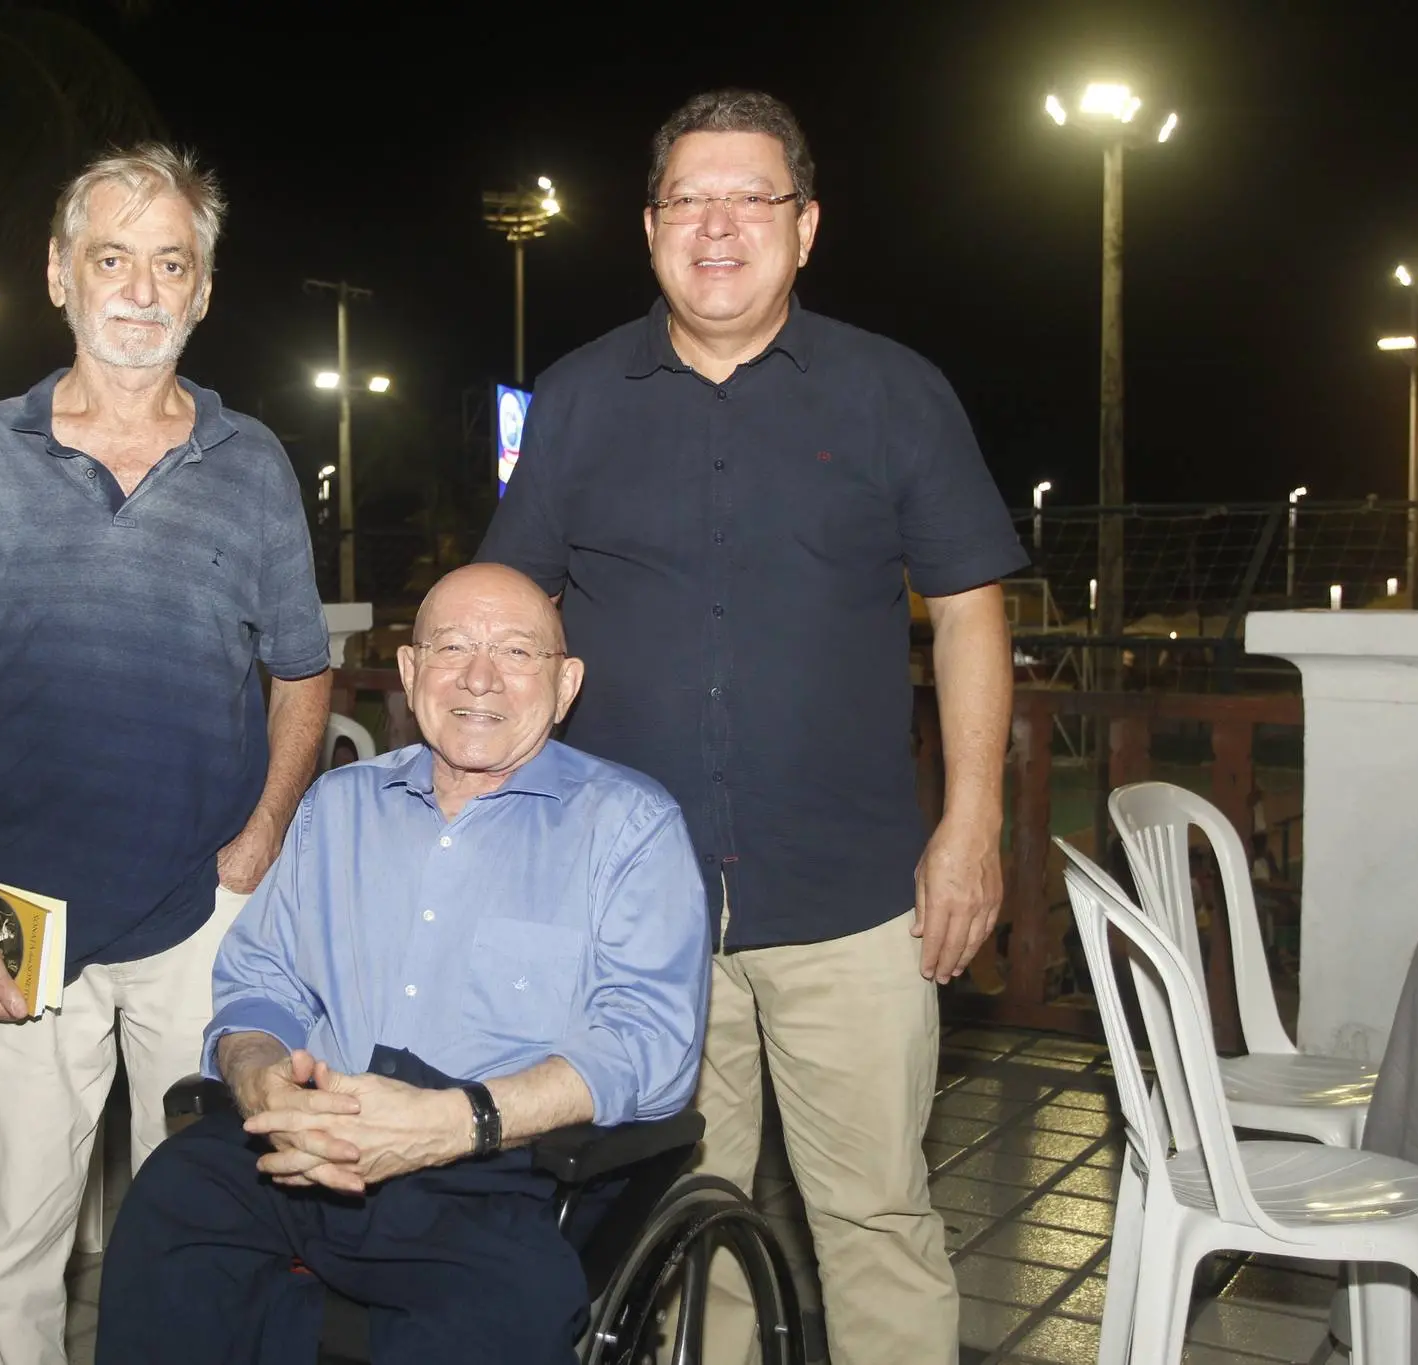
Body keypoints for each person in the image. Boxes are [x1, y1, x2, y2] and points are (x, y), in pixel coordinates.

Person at [479, 90, 1027, 1365]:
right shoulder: (576, 397)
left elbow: (967, 614)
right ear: (648, 226)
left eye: (750, 199)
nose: (717, 227)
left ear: (805, 225)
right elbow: (512, 613)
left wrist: (969, 827)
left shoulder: (894, 393)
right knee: (675, 1224)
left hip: (852, 899)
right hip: (636, 914)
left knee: (875, 1218)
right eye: (688, 200)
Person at [0, 143, 333, 1365]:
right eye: (112, 259)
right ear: (58, 274)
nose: (141, 290)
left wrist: (259, 840)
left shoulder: (253, 464)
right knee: (9, 1248)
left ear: (203, 291)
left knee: (200, 1241)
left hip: (201, 920)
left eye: (170, 264)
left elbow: (303, 672)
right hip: (13, 917)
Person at [94, 563, 711, 1365]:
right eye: (451, 646)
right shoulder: (337, 806)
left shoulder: (629, 827)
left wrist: (457, 1121)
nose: (480, 676)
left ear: (566, 686)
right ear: (412, 673)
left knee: (502, 1312)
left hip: (498, 1167)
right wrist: (259, 1077)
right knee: (170, 1207)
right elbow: (261, 980)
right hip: (311, 1139)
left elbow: (650, 1046)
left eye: (516, 652)